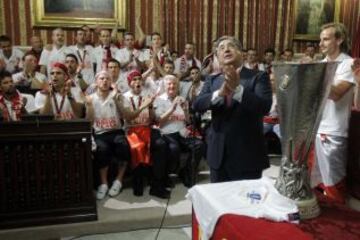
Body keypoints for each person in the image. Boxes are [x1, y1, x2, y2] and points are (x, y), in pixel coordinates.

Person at [193, 36, 272, 183]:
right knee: (219, 203)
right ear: (217, 57)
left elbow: (264, 107)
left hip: (247, 155)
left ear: (241, 53)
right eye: (221, 48)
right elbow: (197, 104)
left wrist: (238, 89)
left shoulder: (258, 76)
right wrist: (219, 94)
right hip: (218, 155)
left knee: (245, 204)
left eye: (231, 46)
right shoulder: (212, 80)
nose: (226, 49)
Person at [310, 23, 356, 203]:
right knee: (315, 180)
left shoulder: (349, 63)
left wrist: (314, 75)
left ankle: (340, 224)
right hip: (314, 128)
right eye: (320, 39)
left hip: (333, 130)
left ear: (339, 40)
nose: (320, 43)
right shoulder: (321, 64)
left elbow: (336, 94)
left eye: (326, 39)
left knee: (334, 181)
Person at [123, 70, 170, 198]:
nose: (138, 82)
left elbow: (154, 118)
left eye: (139, 79)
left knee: (161, 144)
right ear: (129, 83)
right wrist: (144, 105)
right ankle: (137, 183)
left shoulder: (148, 94)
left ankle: (157, 185)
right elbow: (128, 118)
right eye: (134, 80)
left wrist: (150, 108)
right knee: (137, 147)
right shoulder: (124, 97)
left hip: (147, 127)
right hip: (132, 129)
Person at [85, 70, 131, 200]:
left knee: (123, 146)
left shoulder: (117, 96)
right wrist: (88, 106)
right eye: (101, 78)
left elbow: (126, 116)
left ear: (111, 82)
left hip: (116, 131)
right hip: (100, 132)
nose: (104, 81)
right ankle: (104, 183)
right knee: (102, 150)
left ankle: (118, 180)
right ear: (96, 82)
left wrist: (117, 99)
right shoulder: (91, 98)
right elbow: (89, 123)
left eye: (107, 79)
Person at [154, 75, 204, 187]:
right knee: (174, 149)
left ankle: (186, 171)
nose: (172, 86)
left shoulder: (182, 99)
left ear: (178, 86)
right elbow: (159, 122)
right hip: (167, 134)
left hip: (182, 133)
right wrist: (172, 107)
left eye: (174, 84)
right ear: (164, 86)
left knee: (199, 145)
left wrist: (186, 110)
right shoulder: (159, 100)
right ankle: (166, 175)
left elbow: (188, 122)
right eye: (169, 84)